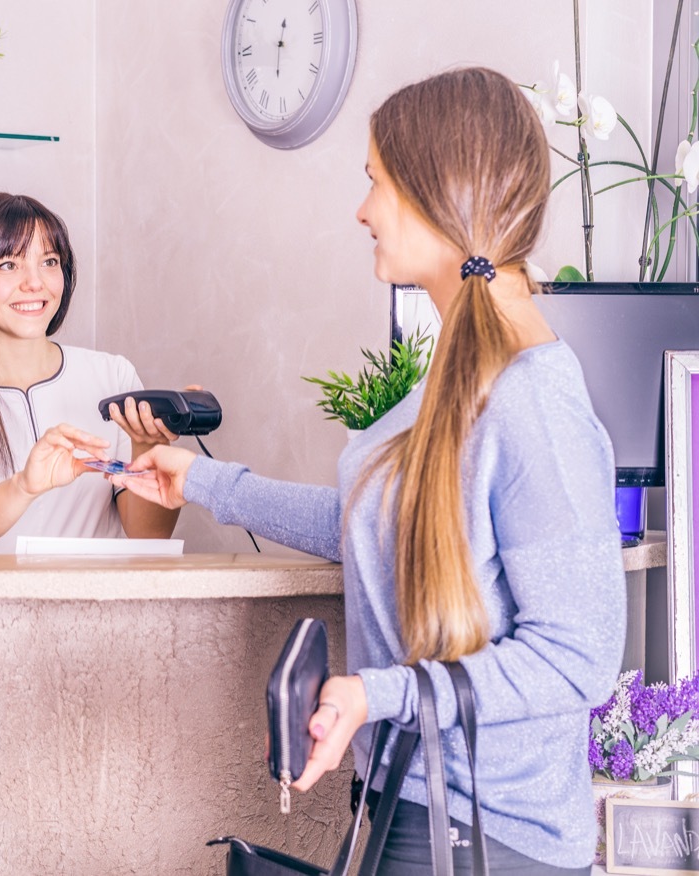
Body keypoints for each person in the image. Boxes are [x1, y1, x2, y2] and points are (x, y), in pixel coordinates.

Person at [112, 68, 625, 874]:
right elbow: (374, 520)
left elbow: (577, 658)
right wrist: (198, 481)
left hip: (489, 837)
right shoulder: (457, 375)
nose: (361, 211)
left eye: (375, 184)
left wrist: (375, 694)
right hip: (412, 808)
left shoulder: (536, 404)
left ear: (437, 193)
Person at [0, 192, 182, 554]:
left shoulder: (114, 377)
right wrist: (23, 486)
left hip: (98, 606)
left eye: (49, 261)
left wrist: (149, 447)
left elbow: (148, 537)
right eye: (9, 265)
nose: (35, 282)